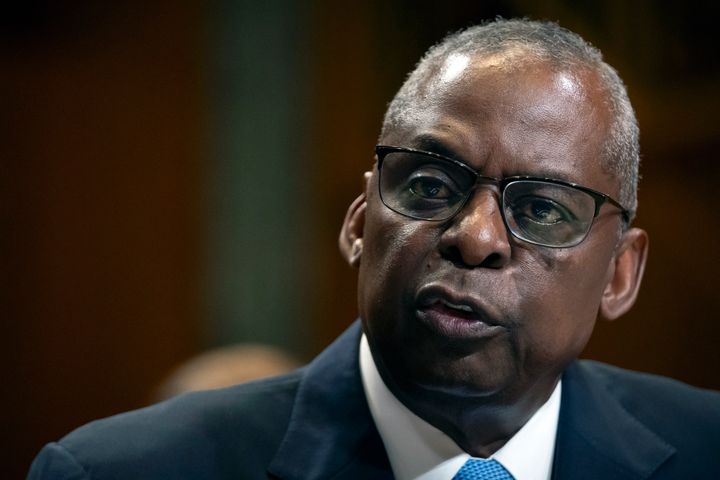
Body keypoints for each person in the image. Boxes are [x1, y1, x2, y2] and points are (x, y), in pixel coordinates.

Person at [28, 18, 720, 480]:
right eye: (428, 184)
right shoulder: (120, 471)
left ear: (621, 275)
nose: (475, 237)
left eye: (540, 209)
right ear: (361, 220)